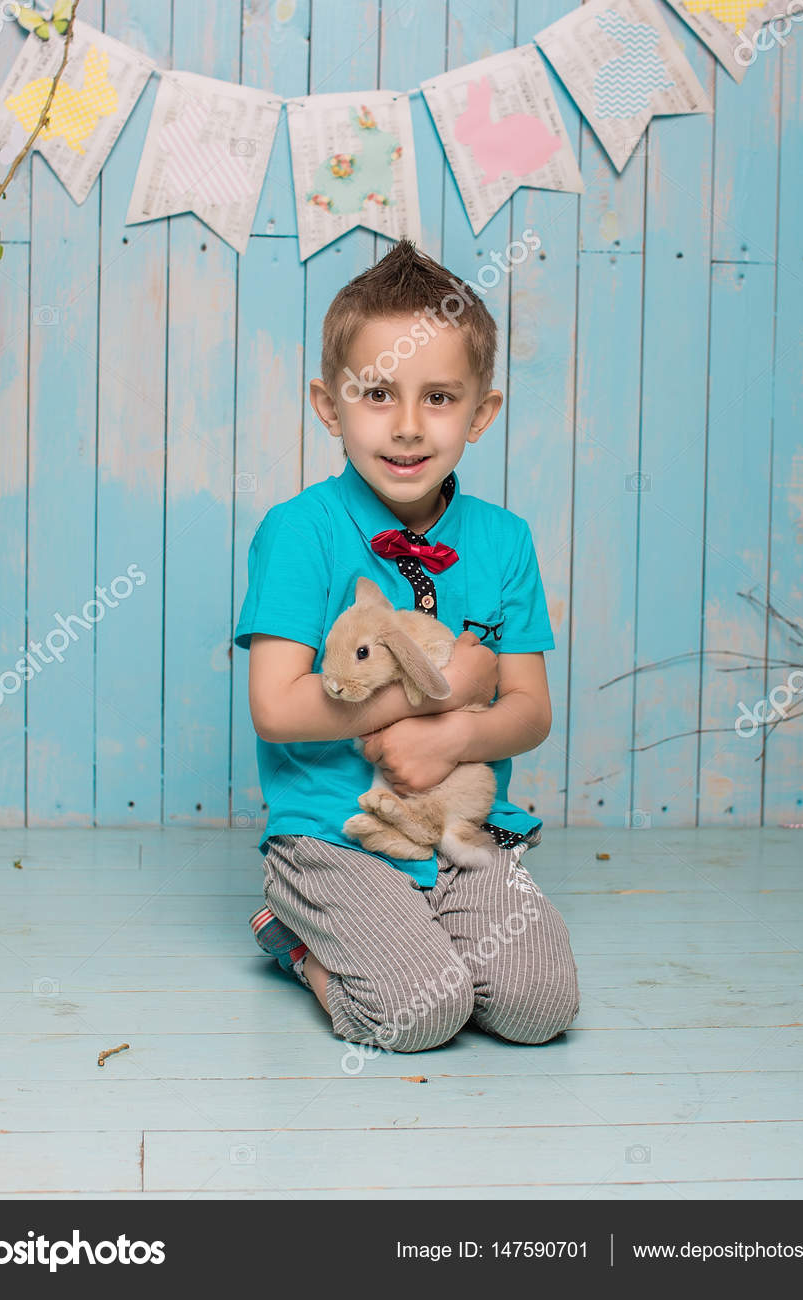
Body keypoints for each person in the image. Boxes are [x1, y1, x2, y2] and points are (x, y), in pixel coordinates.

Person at [234, 237, 579, 1052]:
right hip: (333, 832)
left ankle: (431, 926)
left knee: (538, 1010)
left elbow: (528, 711)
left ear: (480, 412)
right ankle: (295, 939)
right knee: (422, 1013)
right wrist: (446, 688)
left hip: (459, 829)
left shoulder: (502, 540)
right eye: (378, 394)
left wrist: (458, 733)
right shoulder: (299, 533)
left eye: (439, 398)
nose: (407, 427)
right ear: (329, 404)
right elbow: (276, 709)